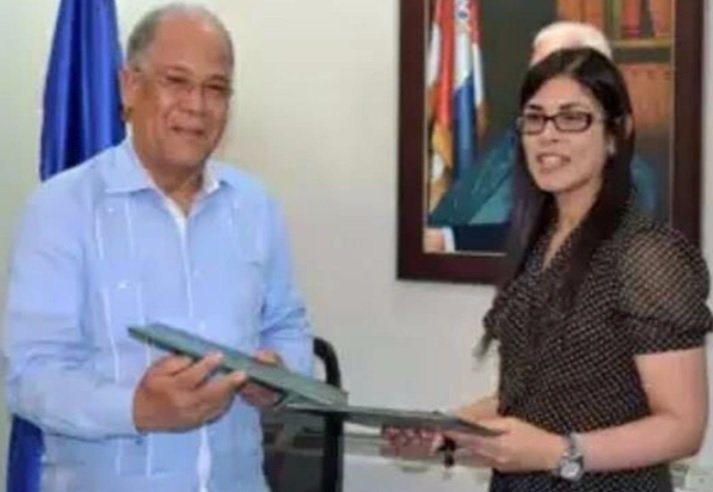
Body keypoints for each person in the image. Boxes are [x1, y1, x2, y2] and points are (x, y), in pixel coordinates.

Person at [4, 4, 312, 492]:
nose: (197, 105)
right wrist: (137, 409)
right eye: (177, 81)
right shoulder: (61, 209)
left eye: (216, 88)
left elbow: (288, 327)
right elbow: (29, 375)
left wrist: (278, 377)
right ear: (129, 87)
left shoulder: (256, 207)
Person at [388, 47, 711, 491]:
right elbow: (532, 398)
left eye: (572, 119)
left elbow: (683, 427)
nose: (548, 135)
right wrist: (445, 430)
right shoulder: (539, 242)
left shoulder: (646, 253)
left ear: (616, 135)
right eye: (535, 119)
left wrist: (560, 452)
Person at [426, 21, 658, 253]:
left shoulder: (633, 178)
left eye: (571, 117)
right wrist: (440, 240)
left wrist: (448, 242)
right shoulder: (510, 144)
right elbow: (450, 217)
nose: (547, 134)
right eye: (536, 75)